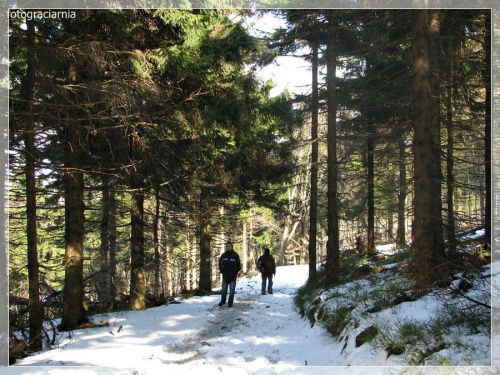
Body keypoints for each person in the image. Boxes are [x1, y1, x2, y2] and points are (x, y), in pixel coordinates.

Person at [218, 241, 241, 307]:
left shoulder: (235, 255)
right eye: (227, 246)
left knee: (232, 290)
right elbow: (220, 264)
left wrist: (235, 272)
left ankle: (230, 302)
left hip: (233, 276)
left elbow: (238, 266)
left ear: (232, 247)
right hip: (225, 275)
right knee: (224, 290)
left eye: (230, 246)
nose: (229, 247)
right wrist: (222, 271)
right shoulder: (223, 255)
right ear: (226, 247)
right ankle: (222, 301)